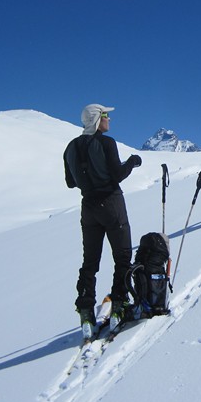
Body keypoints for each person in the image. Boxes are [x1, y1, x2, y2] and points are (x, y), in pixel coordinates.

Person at [64, 103, 142, 335]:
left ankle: (86, 310)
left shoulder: (70, 147)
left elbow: (70, 182)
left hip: (88, 205)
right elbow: (117, 174)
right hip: (111, 202)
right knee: (123, 255)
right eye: (106, 115)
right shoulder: (107, 143)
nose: (109, 119)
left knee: (90, 261)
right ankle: (119, 304)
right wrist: (133, 162)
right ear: (97, 119)